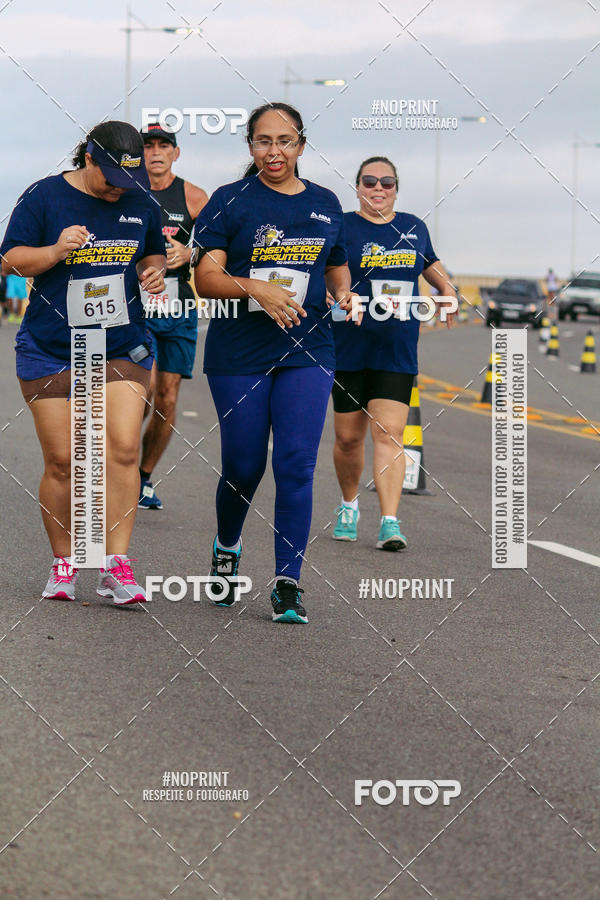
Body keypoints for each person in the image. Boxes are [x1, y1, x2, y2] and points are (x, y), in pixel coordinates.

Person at [192, 102, 360, 624]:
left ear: (302, 146)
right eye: (264, 141)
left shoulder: (326, 203)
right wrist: (256, 287)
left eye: (285, 141)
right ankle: (227, 546)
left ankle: (288, 582)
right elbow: (204, 278)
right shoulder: (230, 201)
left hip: (308, 350)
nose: (275, 151)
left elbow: (336, 266)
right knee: (244, 465)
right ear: (250, 147)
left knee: (295, 464)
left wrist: (345, 294)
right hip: (238, 351)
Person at [0, 121, 166, 603]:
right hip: (53, 346)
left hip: (120, 345)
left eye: (129, 179)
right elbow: (8, 261)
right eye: (111, 175)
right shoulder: (45, 196)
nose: (120, 188)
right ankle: (65, 561)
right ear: (89, 158)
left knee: (121, 451)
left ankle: (115, 564)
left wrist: (154, 273)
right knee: (65, 459)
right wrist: (55, 250)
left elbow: (150, 257)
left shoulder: (141, 199)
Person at [330, 156, 456, 550]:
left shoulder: (412, 227)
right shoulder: (342, 227)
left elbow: (430, 262)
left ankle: (390, 521)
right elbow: (328, 271)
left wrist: (446, 289)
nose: (378, 189)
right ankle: (349, 505)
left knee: (390, 434)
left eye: (386, 182)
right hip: (348, 345)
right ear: (358, 187)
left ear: (396, 188)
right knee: (349, 439)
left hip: (396, 347)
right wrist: (341, 295)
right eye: (370, 182)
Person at [138, 123, 208, 509]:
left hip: (179, 306)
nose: (156, 151)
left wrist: (191, 254)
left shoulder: (194, 196)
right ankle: (119, 466)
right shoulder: (128, 191)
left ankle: (142, 477)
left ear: (176, 153)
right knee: (141, 391)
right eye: (148, 145)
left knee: (167, 396)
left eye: (164, 145)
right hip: (138, 305)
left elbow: (219, 246)